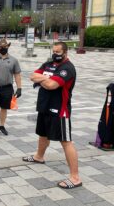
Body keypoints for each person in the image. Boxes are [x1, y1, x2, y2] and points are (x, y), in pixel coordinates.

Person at [23, 42, 82, 189]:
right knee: (42, 134)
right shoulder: (48, 63)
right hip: (44, 106)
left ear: (65, 52)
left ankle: (75, 177)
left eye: (58, 52)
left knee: (66, 141)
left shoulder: (67, 68)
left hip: (59, 110)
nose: (55, 54)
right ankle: (39, 157)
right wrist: (46, 77)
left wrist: (43, 78)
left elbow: (51, 85)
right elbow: (32, 76)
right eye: (53, 51)